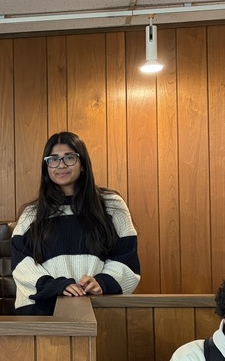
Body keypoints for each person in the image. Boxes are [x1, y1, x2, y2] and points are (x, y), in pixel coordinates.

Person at [11, 131, 140, 315]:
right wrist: (55, 286)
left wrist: (103, 282)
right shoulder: (31, 214)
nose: (61, 165)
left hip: (97, 307)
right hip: (41, 311)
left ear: (83, 164)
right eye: (53, 159)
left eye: (69, 158)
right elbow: (20, 266)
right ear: (46, 167)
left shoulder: (111, 205)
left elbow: (127, 259)